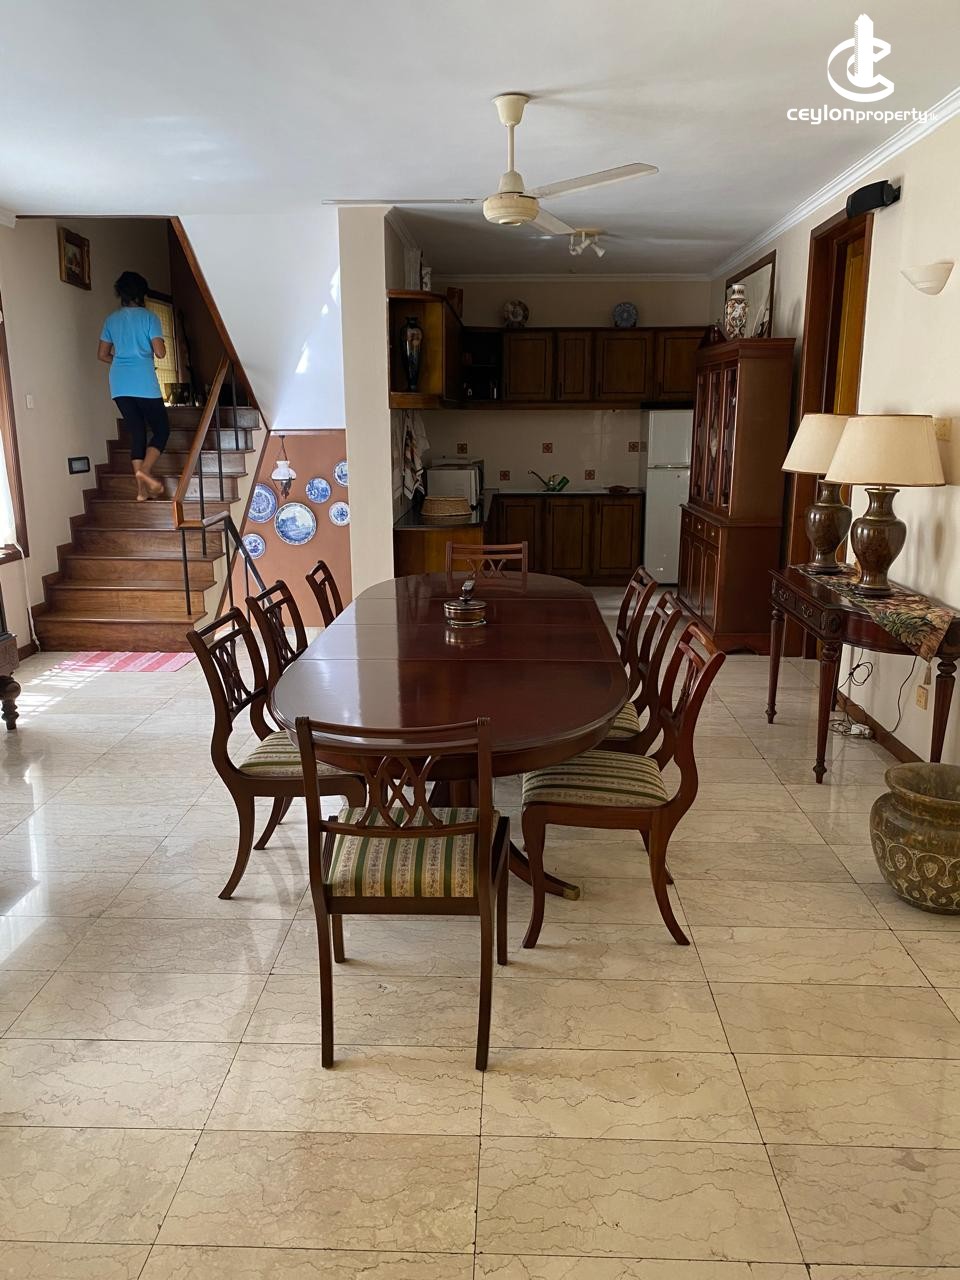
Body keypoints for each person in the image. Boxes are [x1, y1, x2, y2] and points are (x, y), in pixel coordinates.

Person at [97, 271, 170, 501]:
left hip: (119, 384)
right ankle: (145, 470)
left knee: (137, 432)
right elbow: (160, 352)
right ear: (141, 294)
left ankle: (141, 491)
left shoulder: (111, 319)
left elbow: (102, 354)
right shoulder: (149, 318)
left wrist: (122, 361)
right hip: (143, 382)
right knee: (161, 429)